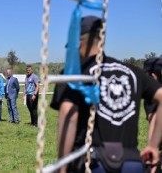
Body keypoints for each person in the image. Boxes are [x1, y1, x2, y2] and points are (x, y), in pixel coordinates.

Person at [50, 15, 162, 172]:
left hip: (92, 163)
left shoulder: (75, 73)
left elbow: (69, 114)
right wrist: (153, 145)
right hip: (131, 163)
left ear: (80, 42)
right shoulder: (133, 72)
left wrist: (62, 166)